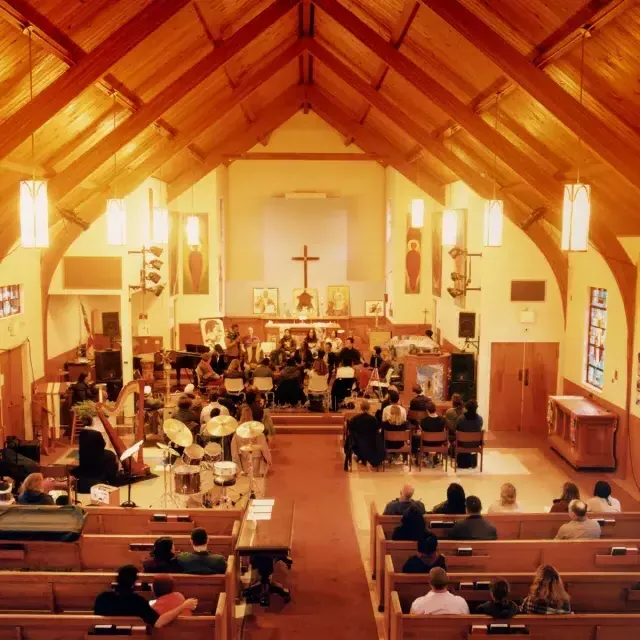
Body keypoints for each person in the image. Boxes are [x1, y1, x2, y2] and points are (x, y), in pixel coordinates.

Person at [94, 565, 197, 626]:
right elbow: (158, 622)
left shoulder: (102, 598)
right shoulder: (138, 602)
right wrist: (182, 606)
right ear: (134, 582)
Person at [73, 428, 119, 493]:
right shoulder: (109, 455)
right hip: (99, 489)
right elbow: (111, 476)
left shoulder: (80, 454)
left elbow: (77, 471)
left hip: (81, 487)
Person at [231, 406, 272, 475]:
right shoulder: (258, 430)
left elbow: (234, 450)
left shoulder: (237, 432)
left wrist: (236, 464)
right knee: (255, 476)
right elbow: (264, 447)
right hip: (256, 456)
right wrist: (268, 459)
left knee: (246, 476)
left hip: (244, 457)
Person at [345, 399, 384, 470]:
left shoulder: (355, 419)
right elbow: (376, 430)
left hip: (357, 445)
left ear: (360, 408)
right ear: (369, 408)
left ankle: (361, 457)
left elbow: (351, 430)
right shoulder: (373, 419)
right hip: (371, 446)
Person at [455, 398, 483, 469]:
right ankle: (473, 461)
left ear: (466, 408)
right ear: (476, 408)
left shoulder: (460, 418)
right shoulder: (480, 419)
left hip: (463, 444)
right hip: (475, 444)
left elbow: (457, 429)